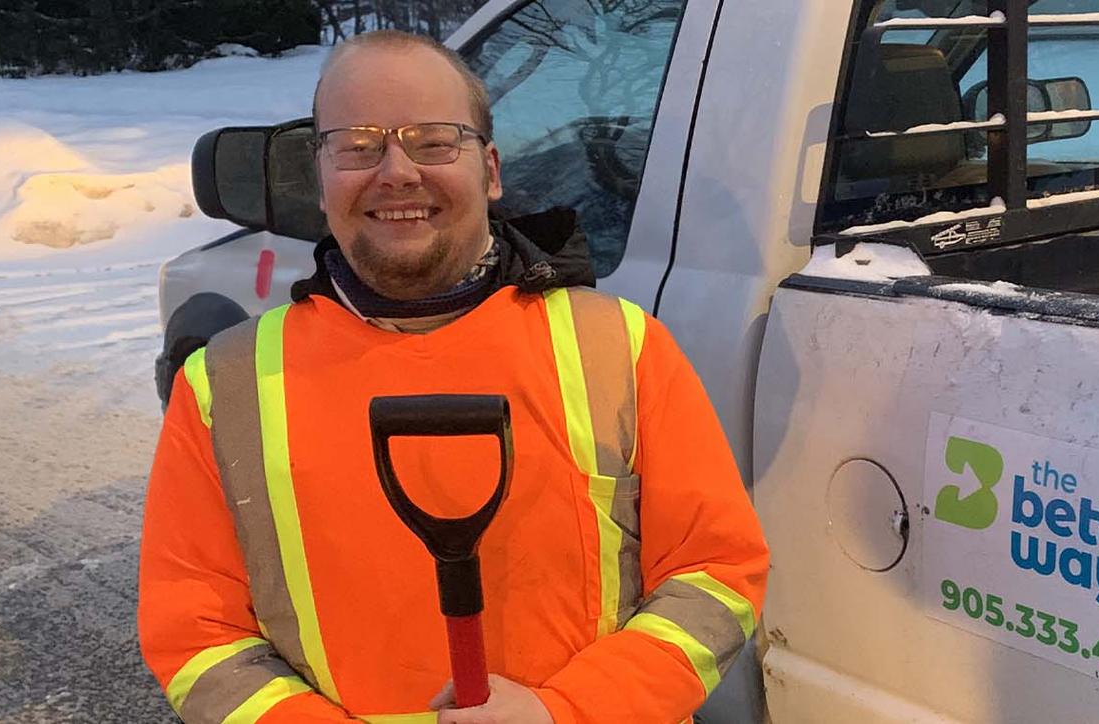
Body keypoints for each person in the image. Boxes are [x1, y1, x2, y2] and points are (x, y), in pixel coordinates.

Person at [137, 29, 769, 724]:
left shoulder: (619, 348)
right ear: (319, 178)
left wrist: (569, 713)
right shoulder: (224, 388)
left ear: (490, 169)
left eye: (434, 141)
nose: (397, 171)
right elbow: (195, 636)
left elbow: (716, 577)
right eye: (357, 146)